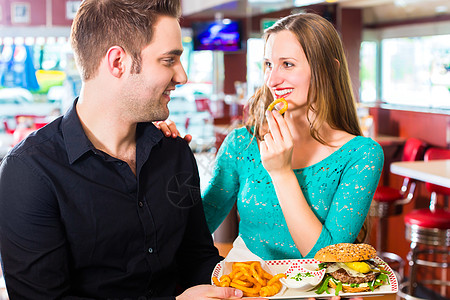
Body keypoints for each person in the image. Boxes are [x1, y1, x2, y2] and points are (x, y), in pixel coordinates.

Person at [0, 1, 248, 299]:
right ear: (117, 62)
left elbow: (196, 258)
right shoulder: (29, 173)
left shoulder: (175, 154)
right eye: (169, 60)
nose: (182, 77)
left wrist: (247, 281)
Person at [160, 13, 384, 261]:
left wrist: (281, 173)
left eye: (287, 64)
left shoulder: (361, 154)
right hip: (246, 291)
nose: (272, 80)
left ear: (330, 69)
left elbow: (330, 258)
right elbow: (196, 229)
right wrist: (170, 163)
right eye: (268, 64)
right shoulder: (241, 143)